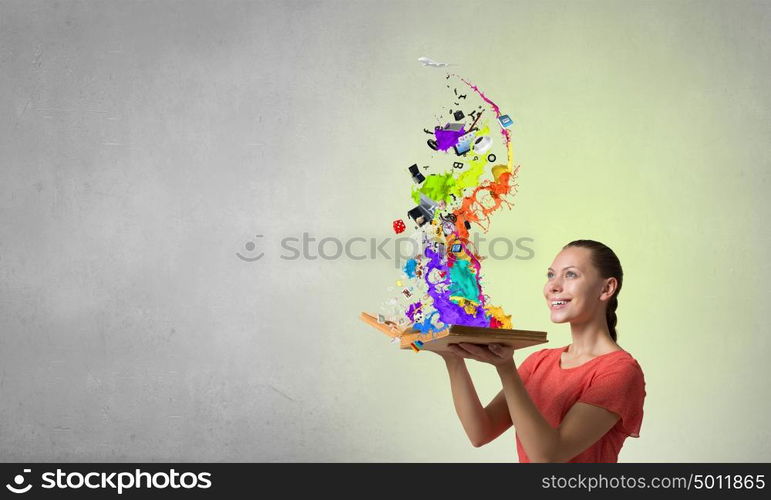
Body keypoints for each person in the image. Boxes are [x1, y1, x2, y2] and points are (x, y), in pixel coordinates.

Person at [436, 239, 646, 462]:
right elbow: (481, 432)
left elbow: (549, 457)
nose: (553, 286)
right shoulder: (540, 361)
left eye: (571, 274)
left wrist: (506, 369)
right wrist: (452, 357)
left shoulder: (620, 371)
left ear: (606, 288)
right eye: (550, 275)